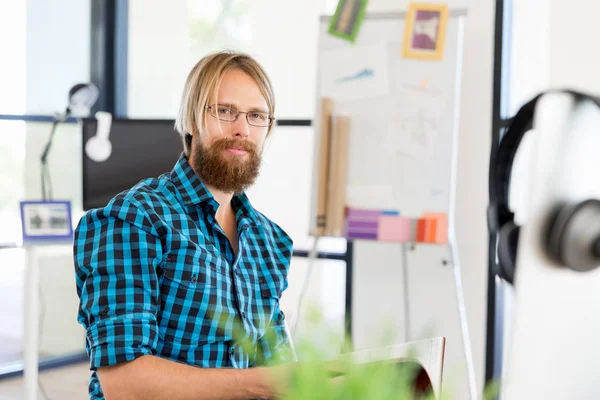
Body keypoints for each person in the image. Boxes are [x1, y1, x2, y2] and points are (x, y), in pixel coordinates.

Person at [73, 51, 297, 400]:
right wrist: (265, 382)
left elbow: (281, 367)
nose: (242, 129)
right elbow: (124, 383)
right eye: (224, 111)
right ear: (192, 119)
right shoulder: (134, 219)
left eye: (256, 116)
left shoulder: (270, 242)